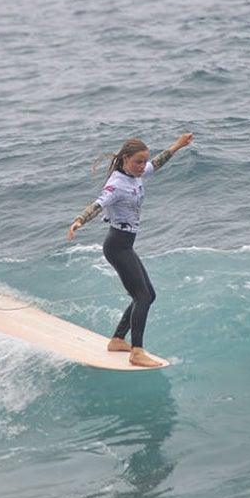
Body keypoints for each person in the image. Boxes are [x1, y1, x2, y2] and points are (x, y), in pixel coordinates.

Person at [67, 132, 195, 367]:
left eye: (143, 161)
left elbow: (156, 163)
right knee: (142, 296)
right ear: (125, 159)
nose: (142, 166)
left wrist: (177, 146)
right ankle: (137, 351)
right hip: (117, 246)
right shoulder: (116, 184)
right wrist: (79, 221)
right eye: (138, 161)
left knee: (148, 295)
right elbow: (98, 204)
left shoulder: (135, 173)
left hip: (126, 245)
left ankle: (117, 339)